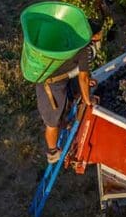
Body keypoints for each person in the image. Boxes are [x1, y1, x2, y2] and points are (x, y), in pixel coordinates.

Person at [35, 20, 102, 163]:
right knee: (52, 122)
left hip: (60, 81)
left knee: (64, 105)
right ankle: (52, 152)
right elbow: (83, 77)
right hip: (50, 86)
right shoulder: (85, 50)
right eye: (100, 33)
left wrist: (85, 82)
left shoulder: (74, 41)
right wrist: (88, 100)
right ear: (94, 36)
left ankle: (64, 121)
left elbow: (78, 72)